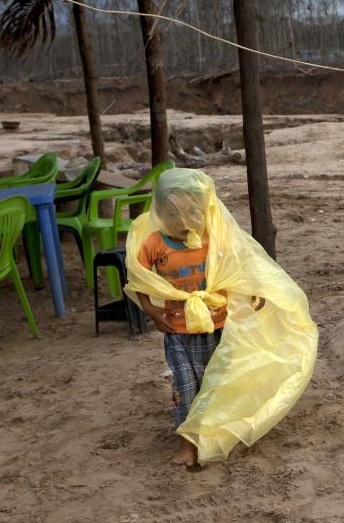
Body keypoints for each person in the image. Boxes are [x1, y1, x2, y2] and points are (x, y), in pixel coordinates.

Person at [132, 170, 229, 468]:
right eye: (174, 213)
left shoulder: (215, 237)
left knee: (213, 385)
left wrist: (253, 296)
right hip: (177, 330)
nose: (183, 220)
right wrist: (151, 311)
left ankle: (212, 437)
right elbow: (136, 279)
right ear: (161, 212)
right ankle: (186, 444)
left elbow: (239, 269)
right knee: (185, 386)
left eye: (190, 212)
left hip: (217, 327)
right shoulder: (154, 244)